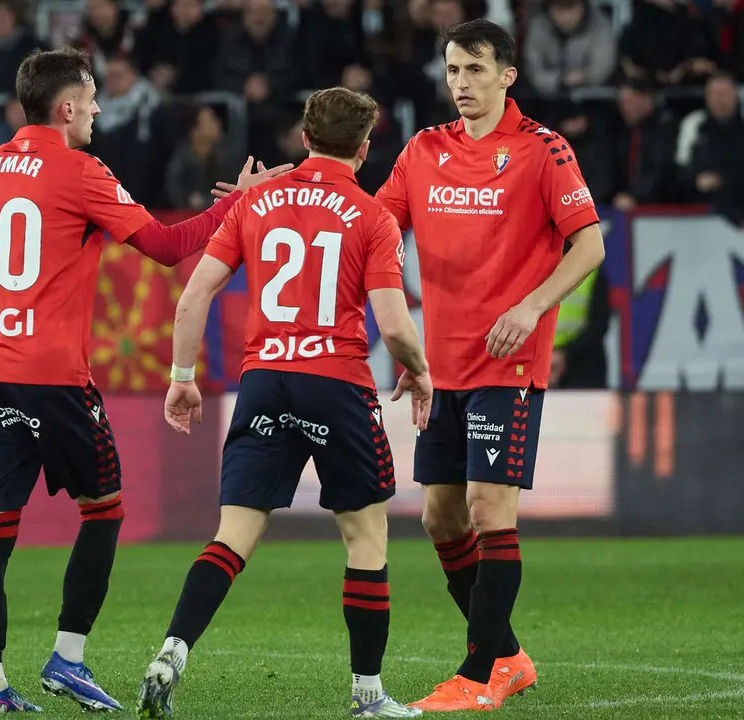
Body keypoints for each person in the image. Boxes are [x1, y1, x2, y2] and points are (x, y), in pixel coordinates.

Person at [0, 47, 290, 714]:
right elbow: (168, 246)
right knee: (105, 508)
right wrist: (240, 204)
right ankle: (67, 658)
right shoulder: (80, 170)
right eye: (90, 101)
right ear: (65, 109)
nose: (96, 111)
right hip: (53, 378)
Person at [136, 87, 432, 720]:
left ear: (303, 137)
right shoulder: (373, 216)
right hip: (337, 383)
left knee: (234, 533)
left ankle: (172, 649)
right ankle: (369, 695)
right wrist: (419, 372)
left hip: (266, 379)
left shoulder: (256, 201)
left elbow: (194, 296)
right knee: (364, 532)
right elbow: (395, 323)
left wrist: (181, 377)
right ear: (365, 146)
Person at [374, 19, 605, 712]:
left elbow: (588, 246)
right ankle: (508, 655)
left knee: (487, 509)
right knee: (441, 521)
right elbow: (375, 222)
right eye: (452, 71)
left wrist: (532, 308)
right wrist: (293, 189)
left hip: (509, 363)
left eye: (475, 69)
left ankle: (478, 677)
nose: (461, 84)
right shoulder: (424, 150)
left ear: (508, 75)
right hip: (441, 367)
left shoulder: (543, 150)